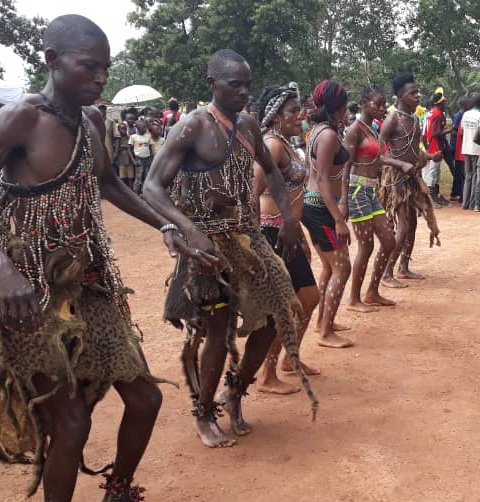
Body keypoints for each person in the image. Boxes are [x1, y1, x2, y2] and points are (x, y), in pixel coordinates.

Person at [0, 15, 202, 502]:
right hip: (29, 297)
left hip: (93, 285)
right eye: (89, 67)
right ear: (53, 61)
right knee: (72, 423)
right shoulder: (20, 118)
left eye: (106, 68)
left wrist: (165, 223)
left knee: (145, 400)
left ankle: (118, 495)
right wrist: (1, 266)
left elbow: (109, 183)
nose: (101, 78)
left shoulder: (93, 120)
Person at [143, 49, 316, 448]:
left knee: (276, 314)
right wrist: (189, 230)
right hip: (207, 246)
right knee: (219, 333)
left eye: (247, 85)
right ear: (212, 84)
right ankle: (204, 414)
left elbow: (271, 171)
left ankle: (235, 392)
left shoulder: (249, 125)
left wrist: (290, 221)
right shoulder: (192, 125)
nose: (243, 92)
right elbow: (152, 186)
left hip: (248, 237)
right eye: (234, 84)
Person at [252, 84, 322, 393]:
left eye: (300, 110)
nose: (301, 115)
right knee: (287, 304)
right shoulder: (272, 144)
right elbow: (252, 193)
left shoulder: (285, 144)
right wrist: (258, 241)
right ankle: (267, 375)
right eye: (294, 111)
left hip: (288, 232)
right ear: (276, 115)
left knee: (307, 298)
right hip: (272, 234)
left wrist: (299, 233)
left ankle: (289, 359)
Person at [293, 80, 358, 348]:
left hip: (317, 206)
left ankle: (324, 321)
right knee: (342, 267)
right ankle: (325, 332)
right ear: (339, 107)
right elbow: (321, 180)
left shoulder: (319, 131)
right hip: (320, 209)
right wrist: (339, 220)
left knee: (331, 267)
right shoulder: (328, 135)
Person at [379, 73, 441, 283]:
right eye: (412, 93)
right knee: (403, 226)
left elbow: (414, 151)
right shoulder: (392, 120)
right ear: (400, 96)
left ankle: (403, 268)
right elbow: (379, 155)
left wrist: (430, 156)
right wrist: (401, 165)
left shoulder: (414, 119)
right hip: (396, 180)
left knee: (412, 225)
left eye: (417, 92)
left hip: (412, 177)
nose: (417, 96)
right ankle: (387, 273)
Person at [343, 85, 400, 314]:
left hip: (370, 191)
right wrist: (343, 200)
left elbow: (379, 159)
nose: (383, 108)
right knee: (366, 246)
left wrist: (401, 164)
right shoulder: (354, 130)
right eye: (378, 104)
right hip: (357, 191)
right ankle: (354, 299)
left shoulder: (372, 128)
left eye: (384, 104)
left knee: (389, 242)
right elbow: (346, 166)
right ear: (364, 104)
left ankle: (372, 292)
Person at [422, 88, 450, 208]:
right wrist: (448, 130)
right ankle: (430, 200)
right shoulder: (438, 114)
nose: (445, 104)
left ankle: (435, 196)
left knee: (428, 173)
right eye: (444, 102)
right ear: (439, 103)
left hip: (427, 146)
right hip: (435, 148)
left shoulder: (429, 113)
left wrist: (426, 146)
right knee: (433, 174)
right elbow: (435, 132)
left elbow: (424, 132)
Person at [460, 93, 480, 209]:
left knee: (468, 176)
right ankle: (472, 204)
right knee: (475, 176)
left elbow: (462, 131)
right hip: (476, 149)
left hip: (466, 148)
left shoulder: (466, 114)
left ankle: (464, 203)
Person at [450, 97, 470, 203]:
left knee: (460, 172)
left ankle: (457, 193)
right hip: (457, 147)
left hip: (460, 147)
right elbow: (454, 130)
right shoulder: (459, 115)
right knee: (459, 172)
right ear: (464, 105)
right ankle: (456, 194)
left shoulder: (463, 114)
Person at [128, 119, 153, 192]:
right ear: (138, 128)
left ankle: (145, 192)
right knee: (138, 177)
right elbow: (129, 149)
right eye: (144, 127)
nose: (145, 129)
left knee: (147, 176)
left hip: (147, 158)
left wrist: (151, 158)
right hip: (138, 159)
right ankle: (136, 192)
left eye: (145, 127)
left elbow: (150, 148)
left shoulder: (148, 136)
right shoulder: (133, 137)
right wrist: (133, 160)